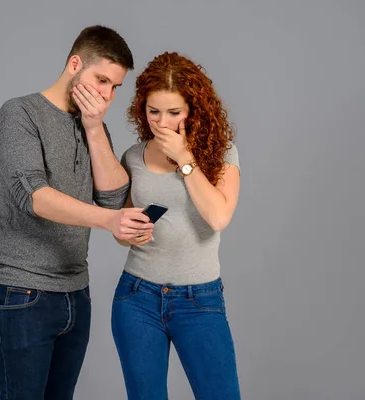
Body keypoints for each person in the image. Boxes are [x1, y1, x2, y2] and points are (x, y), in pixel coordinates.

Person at [0, 25, 154, 400]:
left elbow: (113, 198)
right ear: (74, 64)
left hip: (76, 294)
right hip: (22, 292)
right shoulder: (19, 113)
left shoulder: (94, 126)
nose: (107, 95)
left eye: (114, 87)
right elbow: (34, 197)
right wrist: (109, 221)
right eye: (101, 80)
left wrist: (94, 129)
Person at [111, 51, 242, 399]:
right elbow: (123, 231)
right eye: (153, 111)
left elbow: (218, 217)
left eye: (174, 112)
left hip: (199, 300)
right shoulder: (133, 157)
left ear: (192, 109)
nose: (162, 122)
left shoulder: (222, 153)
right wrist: (128, 232)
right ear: (142, 108)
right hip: (137, 297)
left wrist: (185, 159)